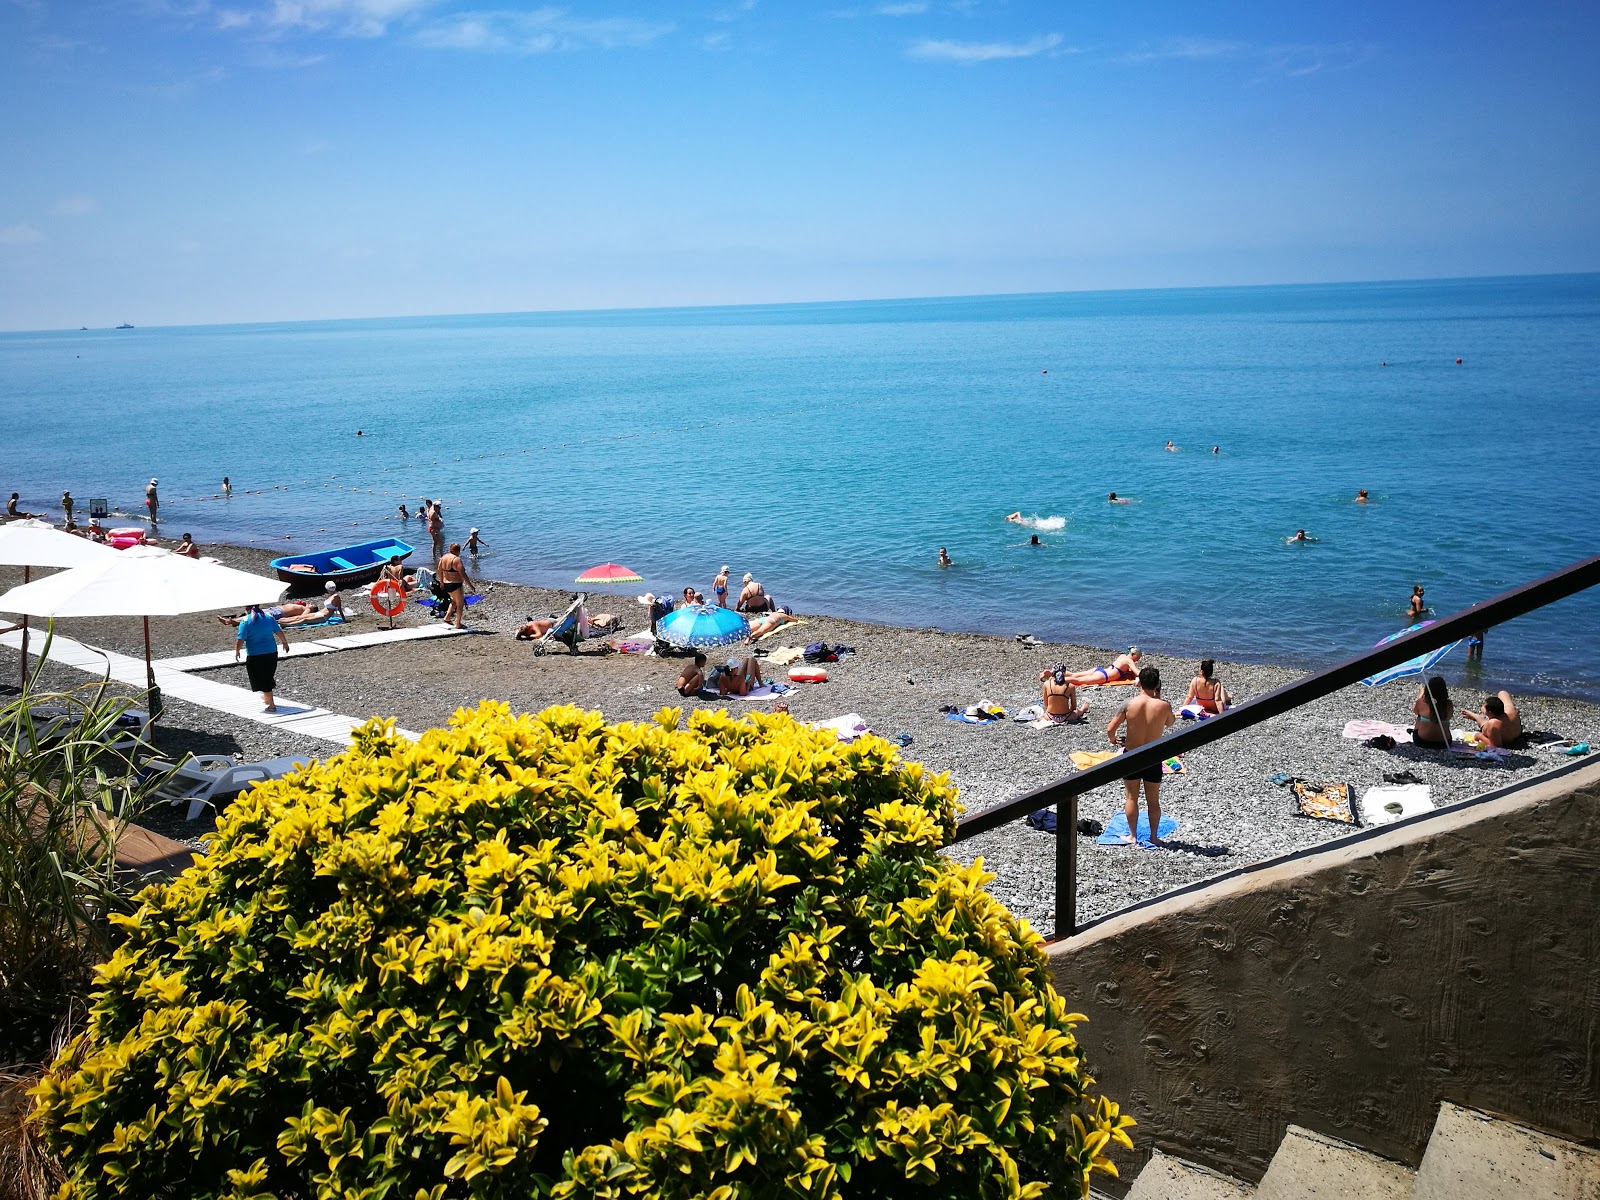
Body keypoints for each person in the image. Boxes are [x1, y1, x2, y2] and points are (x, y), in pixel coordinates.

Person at [1105, 666, 1175, 847]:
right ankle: (1153, 837)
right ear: (1157, 684)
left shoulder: (1129, 704)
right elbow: (1170, 722)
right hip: (1153, 756)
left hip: (1132, 755)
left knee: (1131, 798)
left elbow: (1110, 729)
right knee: (1153, 800)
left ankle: (1133, 836)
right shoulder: (1164, 705)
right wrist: (1157, 697)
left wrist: (1114, 740)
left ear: (1139, 683)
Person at [234, 604, 290, 712]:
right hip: (272, 652)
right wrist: (285, 643)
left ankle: (271, 705)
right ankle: (266, 697)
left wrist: (237, 650)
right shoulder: (268, 617)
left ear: (246, 609)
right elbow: (278, 631)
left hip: (255, 654)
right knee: (268, 675)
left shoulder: (245, 620)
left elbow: (241, 638)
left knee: (261, 678)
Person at [1062, 647, 1142, 687]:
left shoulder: (1122, 656)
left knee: (1074, 675)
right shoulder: (1129, 661)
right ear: (1133, 655)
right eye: (1137, 658)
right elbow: (1137, 673)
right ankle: (1057, 681)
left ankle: (1055, 673)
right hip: (1104, 676)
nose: (1137, 661)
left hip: (1100, 670)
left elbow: (1126, 670)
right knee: (1078, 680)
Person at [1411, 675, 1454, 749]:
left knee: (1419, 716)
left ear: (1428, 690)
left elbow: (1415, 711)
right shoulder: (1449, 704)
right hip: (1444, 743)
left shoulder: (1421, 702)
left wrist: (1420, 696)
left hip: (1421, 741)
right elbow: (1448, 716)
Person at [436, 541, 472, 629]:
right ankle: (458, 623)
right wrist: (470, 585)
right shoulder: (456, 559)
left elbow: (439, 570)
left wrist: (441, 582)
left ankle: (447, 617)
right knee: (460, 603)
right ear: (458, 551)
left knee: (454, 601)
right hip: (455, 584)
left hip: (446, 583)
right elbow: (463, 574)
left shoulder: (443, 558)